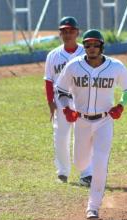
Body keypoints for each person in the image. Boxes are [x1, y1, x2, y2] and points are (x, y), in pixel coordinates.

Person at [56, 29, 127, 220]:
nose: (91, 48)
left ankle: (93, 206)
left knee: (100, 163)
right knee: (80, 162)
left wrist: (121, 106)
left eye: (95, 45)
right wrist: (67, 108)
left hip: (104, 121)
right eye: (88, 45)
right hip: (81, 120)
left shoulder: (115, 66)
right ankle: (87, 165)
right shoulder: (73, 66)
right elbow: (61, 90)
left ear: (101, 47)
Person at [44, 16, 93, 186]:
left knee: (84, 137)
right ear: (60, 34)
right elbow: (49, 80)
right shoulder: (53, 55)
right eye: (64, 31)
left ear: (77, 32)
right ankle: (62, 172)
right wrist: (50, 102)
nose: (68, 34)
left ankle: (87, 173)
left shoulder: (86, 52)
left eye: (71, 31)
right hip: (60, 101)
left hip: (82, 100)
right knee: (61, 137)